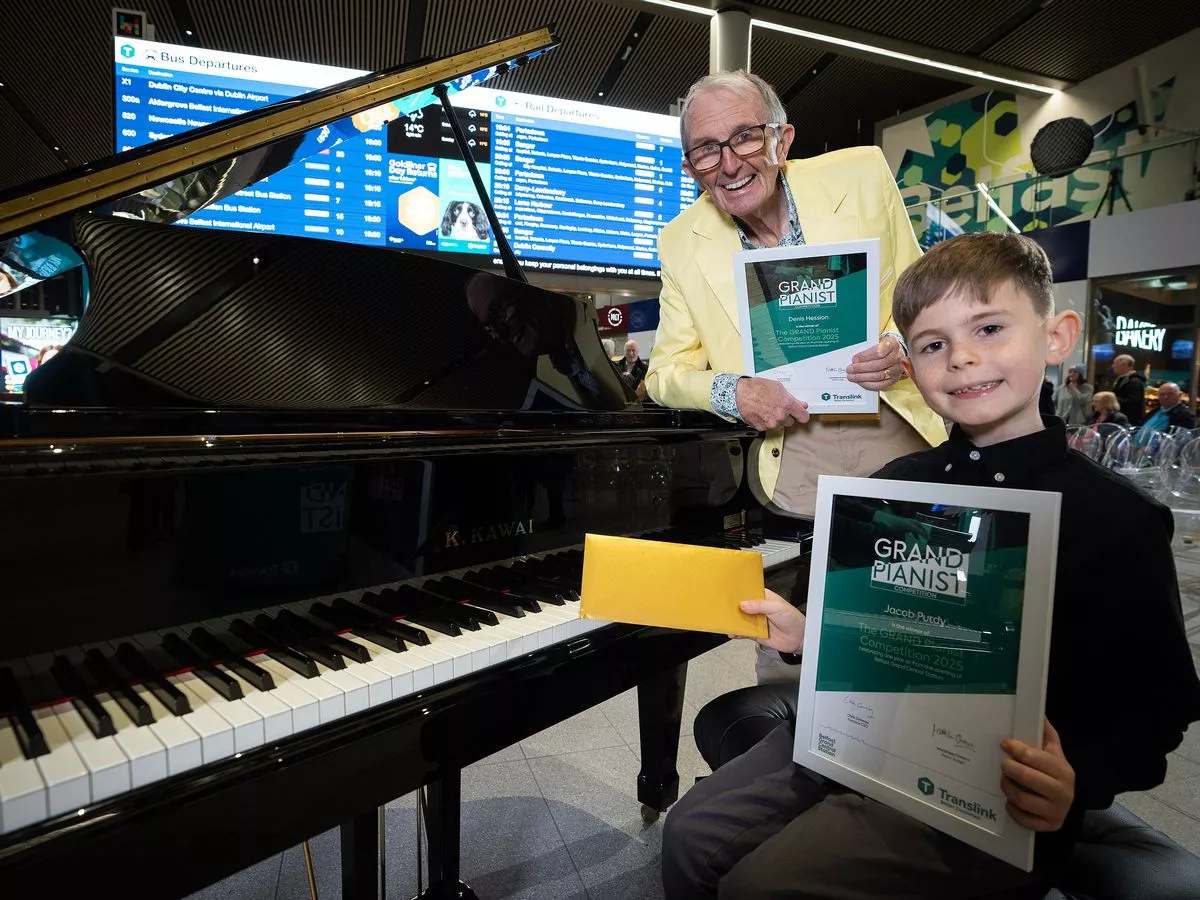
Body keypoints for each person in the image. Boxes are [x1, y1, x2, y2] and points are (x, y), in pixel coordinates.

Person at [662, 232, 1200, 900]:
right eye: (934, 344)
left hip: (988, 795)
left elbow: (1160, 714)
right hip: (853, 741)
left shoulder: (1117, 519)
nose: (964, 358)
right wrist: (812, 638)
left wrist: (1075, 779)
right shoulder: (893, 483)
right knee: (686, 833)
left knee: (764, 885)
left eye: (990, 328)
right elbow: (885, 642)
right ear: (911, 368)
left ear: (1056, 336)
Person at [645, 71, 946, 681]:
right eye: (705, 148)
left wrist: (900, 345)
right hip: (793, 457)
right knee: (789, 653)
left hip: (899, 432)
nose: (727, 163)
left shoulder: (861, 174)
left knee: (911, 633)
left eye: (745, 138)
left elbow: (926, 297)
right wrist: (735, 391)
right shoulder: (680, 241)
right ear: (689, 165)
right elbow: (664, 373)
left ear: (782, 140)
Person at [1110, 353, 1146, 425]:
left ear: (1124, 365)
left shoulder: (1134, 381)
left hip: (1128, 421)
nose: (1113, 366)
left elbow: (1133, 402)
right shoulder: (1123, 380)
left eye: (1115, 364)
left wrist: (1112, 399)